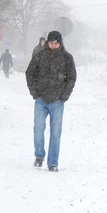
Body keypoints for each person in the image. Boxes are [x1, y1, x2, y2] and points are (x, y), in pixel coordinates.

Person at [25, 30, 76, 172]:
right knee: (38, 129)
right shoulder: (40, 56)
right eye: (51, 42)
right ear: (47, 42)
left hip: (57, 101)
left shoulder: (67, 58)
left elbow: (71, 78)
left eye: (56, 43)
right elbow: (30, 73)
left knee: (55, 132)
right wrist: (35, 92)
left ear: (60, 43)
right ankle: (39, 156)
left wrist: (64, 96)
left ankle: (53, 162)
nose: (53, 45)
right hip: (41, 99)